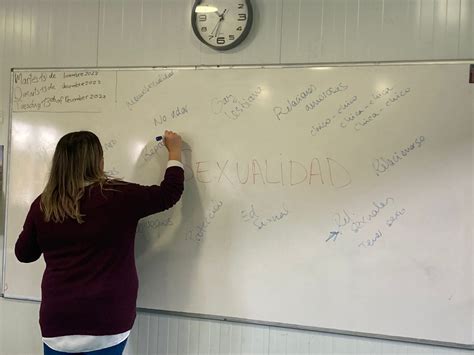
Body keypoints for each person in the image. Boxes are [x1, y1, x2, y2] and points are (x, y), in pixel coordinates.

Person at [15, 130, 184, 355]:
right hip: (108, 318)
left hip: (58, 321)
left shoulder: (43, 204)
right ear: (99, 161)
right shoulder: (118, 196)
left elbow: (24, 254)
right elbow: (169, 193)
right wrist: (175, 151)